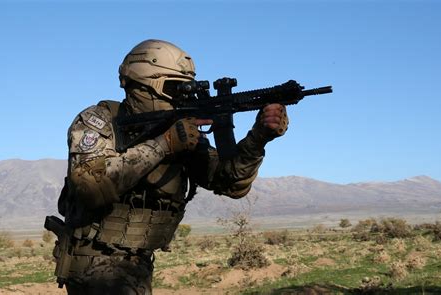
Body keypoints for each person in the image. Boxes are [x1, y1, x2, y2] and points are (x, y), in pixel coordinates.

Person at [54, 39, 288, 295]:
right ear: (144, 82)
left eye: (187, 89)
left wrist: (258, 137)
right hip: (93, 258)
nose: (181, 97)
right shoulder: (99, 120)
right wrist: (163, 145)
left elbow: (229, 182)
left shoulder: (177, 131)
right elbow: (89, 186)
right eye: (175, 88)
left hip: (137, 262)